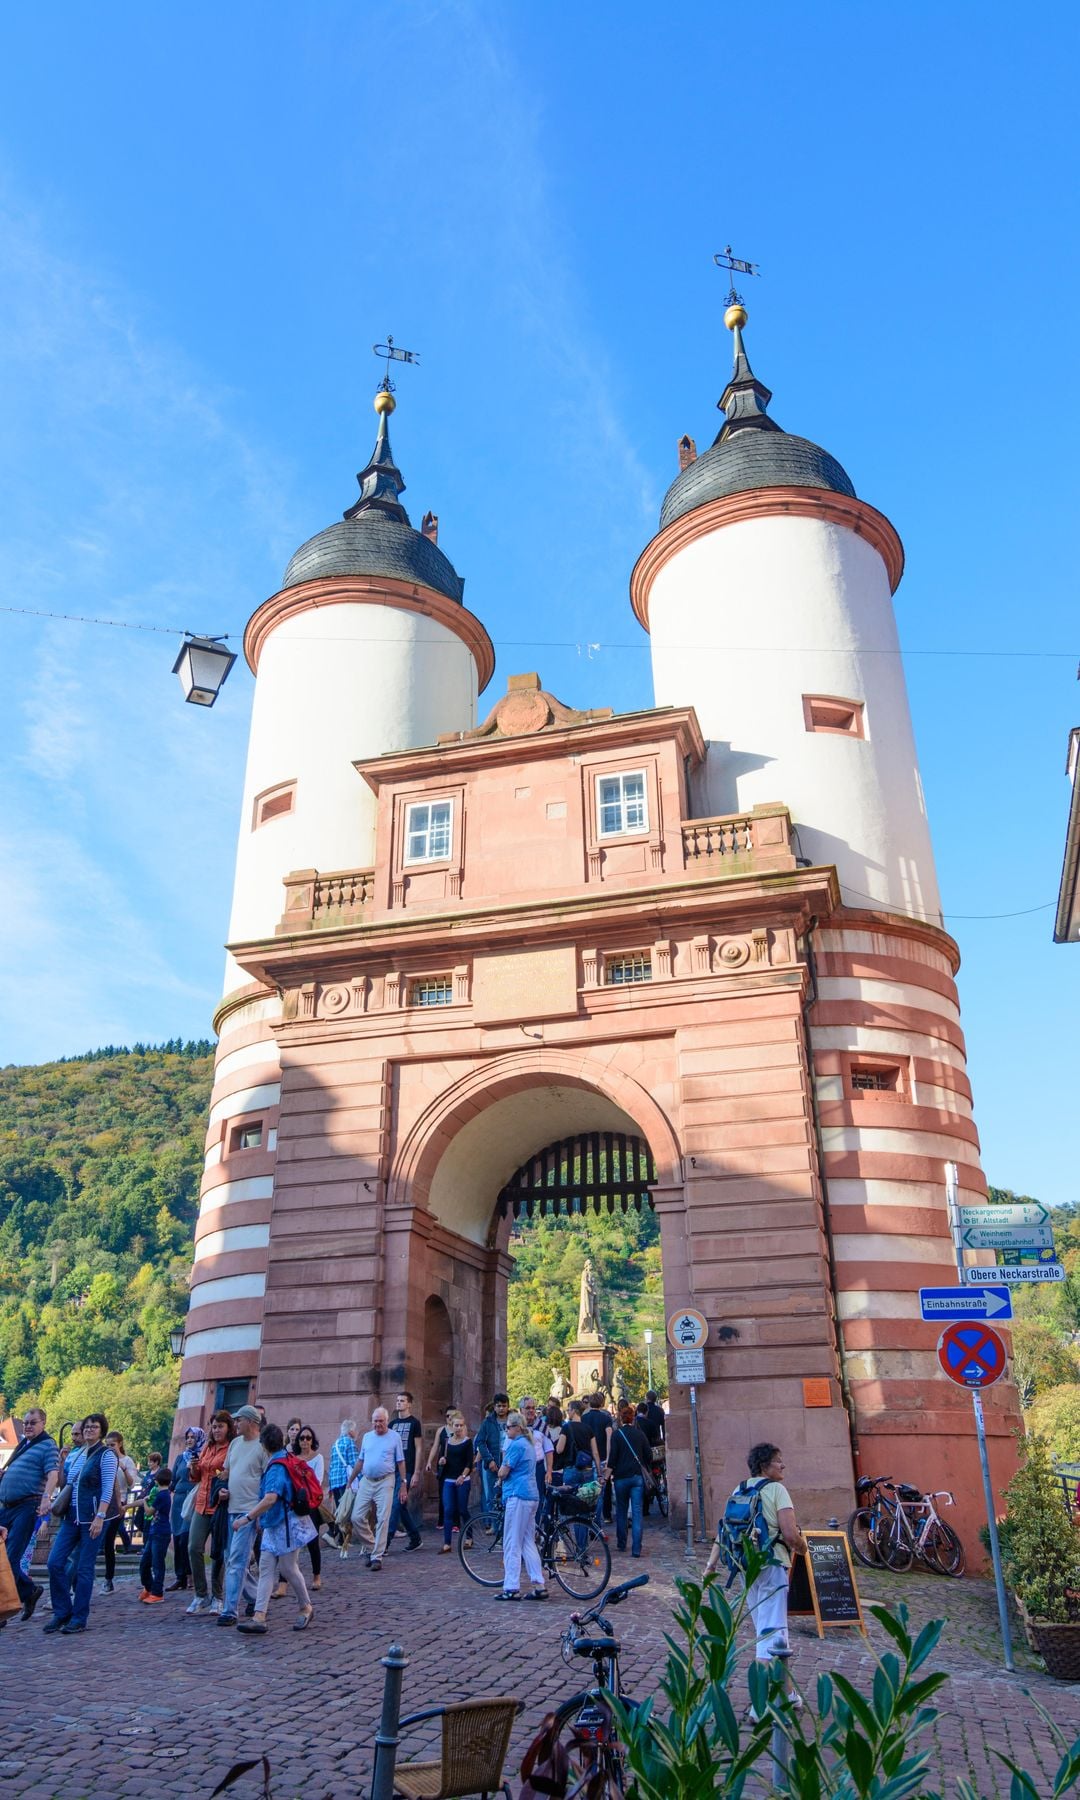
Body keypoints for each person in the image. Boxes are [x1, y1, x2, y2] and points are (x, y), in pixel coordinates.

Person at [703, 1442, 807, 1681]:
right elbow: (790, 1535)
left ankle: (788, 1695)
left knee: (766, 1630)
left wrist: (710, 1565)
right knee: (772, 1635)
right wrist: (804, 1548)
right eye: (778, 1460)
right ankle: (758, 1704)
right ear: (764, 1465)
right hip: (771, 1563)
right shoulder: (777, 1490)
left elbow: (724, 1531)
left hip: (746, 1568)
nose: (783, 1465)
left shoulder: (739, 1490)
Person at [234, 1423, 314, 1635]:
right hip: (276, 1524)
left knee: (288, 1568)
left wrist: (247, 1518)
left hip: (285, 1525)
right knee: (267, 1568)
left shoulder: (277, 1465)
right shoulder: (283, 1459)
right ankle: (259, 1616)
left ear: (263, 1445)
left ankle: (306, 1607)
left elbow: (271, 1498)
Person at [43, 1413, 118, 1636]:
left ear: (102, 1431)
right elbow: (66, 1484)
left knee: (84, 1569)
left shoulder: (106, 1455)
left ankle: (79, 1617)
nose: (88, 1430)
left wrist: (100, 1516)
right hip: (71, 1517)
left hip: (92, 1518)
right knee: (54, 1563)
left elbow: (107, 1487)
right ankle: (62, 1611)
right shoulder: (78, 1454)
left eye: (94, 1427)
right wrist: (62, 1462)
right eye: (86, 1427)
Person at [0, 1404, 60, 1622]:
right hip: (6, 1506)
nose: (27, 1426)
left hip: (26, 1506)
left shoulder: (47, 1445)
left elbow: (53, 1473)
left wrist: (46, 1498)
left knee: (11, 1557)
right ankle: (29, 1592)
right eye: (25, 1423)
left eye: (32, 1422)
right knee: (3, 1558)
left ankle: (4, 1610)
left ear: (43, 1423)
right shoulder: (24, 1444)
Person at [216, 1405, 268, 1627]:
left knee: (237, 1559)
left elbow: (267, 1480)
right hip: (230, 1508)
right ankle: (256, 1596)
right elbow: (227, 1472)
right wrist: (221, 1487)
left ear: (251, 1422)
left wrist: (259, 1515)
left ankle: (229, 1610)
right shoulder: (235, 1444)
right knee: (233, 1559)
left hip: (249, 1511)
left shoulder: (262, 1447)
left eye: (239, 1421)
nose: (235, 1424)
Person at [494, 1411, 547, 1603]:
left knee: (511, 1542)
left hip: (518, 1496)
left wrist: (498, 1472)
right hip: (531, 1496)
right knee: (527, 1542)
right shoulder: (529, 1444)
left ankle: (511, 1587)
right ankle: (538, 1584)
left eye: (508, 1426)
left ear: (518, 1427)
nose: (506, 1429)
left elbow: (503, 1471)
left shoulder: (516, 1445)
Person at [186, 1410, 235, 1615]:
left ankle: (217, 1595)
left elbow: (232, 1473)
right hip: (201, 1503)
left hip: (219, 1505)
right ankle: (201, 1593)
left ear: (228, 1428)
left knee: (217, 1552)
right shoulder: (207, 1447)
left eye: (220, 1426)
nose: (216, 1430)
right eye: (214, 1427)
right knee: (193, 1547)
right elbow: (197, 1477)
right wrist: (193, 1467)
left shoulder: (232, 1448)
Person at [348, 1407, 408, 1570]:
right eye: (375, 1421)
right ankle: (372, 1546)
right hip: (367, 1480)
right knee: (356, 1517)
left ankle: (376, 1557)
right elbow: (360, 1461)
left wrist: (403, 1483)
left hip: (386, 1480)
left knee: (383, 1517)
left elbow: (401, 1462)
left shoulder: (394, 1437)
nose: (378, 1424)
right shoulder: (367, 1437)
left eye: (381, 1421)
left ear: (387, 1421)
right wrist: (351, 1479)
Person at [606, 1405, 651, 1558]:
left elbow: (612, 1459)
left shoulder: (617, 1435)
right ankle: (636, 1548)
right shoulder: (639, 1434)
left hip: (620, 1478)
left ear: (620, 1418)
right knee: (637, 1513)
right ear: (633, 1418)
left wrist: (606, 1475)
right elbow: (649, 1455)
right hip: (636, 1477)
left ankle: (621, 1542)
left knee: (621, 1512)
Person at [99, 1430, 139, 1593]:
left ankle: (108, 1579)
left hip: (118, 1502)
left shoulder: (127, 1460)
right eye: (107, 1445)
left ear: (120, 1444)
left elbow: (131, 1484)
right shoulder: (104, 1458)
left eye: (112, 1445)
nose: (110, 1448)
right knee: (102, 1541)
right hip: (103, 1502)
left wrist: (123, 1468)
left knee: (108, 1539)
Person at [387, 1392, 424, 1552]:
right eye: (397, 1400)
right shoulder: (392, 1424)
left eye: (402, 1401)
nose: (399, 1403)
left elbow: (419, 1448)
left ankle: (384, 1544)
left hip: (407, 1469)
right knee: (400, 1506)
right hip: (391, 1469)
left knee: (396, 1504)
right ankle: (415, 1538)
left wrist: (416, 1472)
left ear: (409, 1404)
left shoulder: (414, 1423)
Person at [168, 1427, 202, 1592]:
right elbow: (173, 1480)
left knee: (185, 1538)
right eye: (187, 1437)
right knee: (177, 1538)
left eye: (192, 1437)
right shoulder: (181, 1458)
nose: (189, 1440)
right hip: (179, 1499)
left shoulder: (202, 1456)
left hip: (193, 1498)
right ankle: (179, 1576)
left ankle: (190, 1575)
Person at [438, 1413, 474, 1552]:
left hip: (462, 1479)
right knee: (448, 1510)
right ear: (451, 1426)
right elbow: (443, 1458)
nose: (458, 1428)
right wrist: (442, 1461)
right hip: (448, 1479)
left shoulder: (467, 1442)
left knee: (462, 1509)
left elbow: (469, 1463)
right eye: (456, 1425)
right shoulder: (447, 1441)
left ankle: (469, 1537)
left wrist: (463, 1476)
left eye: (461, 1425)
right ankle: (447, 1543)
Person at [138, 1465, 172, 1603]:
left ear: (157, 1480)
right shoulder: (163, 1494)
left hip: (160, 1532)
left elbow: (149, 1512)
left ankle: (157, 1592)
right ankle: (149, 1586)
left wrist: (145, 1501)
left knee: (157, 1563)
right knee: (146, 1562)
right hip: (155, 1531)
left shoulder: (162, 1495)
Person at [295, 1427, 324, 1590]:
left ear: (312, 1440)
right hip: (295, 1503)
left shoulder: (317, 1458)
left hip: (311, 1503)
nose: (305, 1441)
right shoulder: (293, 1458)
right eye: (302, 1438)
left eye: (308, 1438)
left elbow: (317, 1480)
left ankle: (316, 1576)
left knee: (313, 1541)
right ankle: (283, 1583)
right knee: (291, 1542)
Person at [581, 1391, 614, 1524]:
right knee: (602, 1491)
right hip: (602, 1458)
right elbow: (609, 1440)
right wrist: (608, 1459)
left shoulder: (584, 1418)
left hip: (587, 1458)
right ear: (601, 1403)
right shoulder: (606, 1418)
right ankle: (602, 1518)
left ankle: (590, 1519)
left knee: (588, 1491)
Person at [475, 1395, 509, 1513]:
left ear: (508, 1406)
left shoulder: (513, 1420)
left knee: (509, 1496)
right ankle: (495, 1526)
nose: (501, 1409)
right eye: (499, 1406)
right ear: (494, 1407)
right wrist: (489, 1460)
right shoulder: (488, 1422)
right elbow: (480, 1441)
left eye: (504, 1406)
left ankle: (507, 1527)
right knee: (493, 1496)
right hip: (493, 1462)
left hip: (509, 1462)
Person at [133, 1452, 163, 1542]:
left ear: (156, 1462)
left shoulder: (160, 1473)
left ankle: (146, 1547)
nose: (148, 1464)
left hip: (152, 1502)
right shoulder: (149, 1473)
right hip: (143, 1500)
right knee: (138, 1521)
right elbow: (144, 1484)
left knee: (148, 1525)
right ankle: (146, 1545)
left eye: (150, 1462)